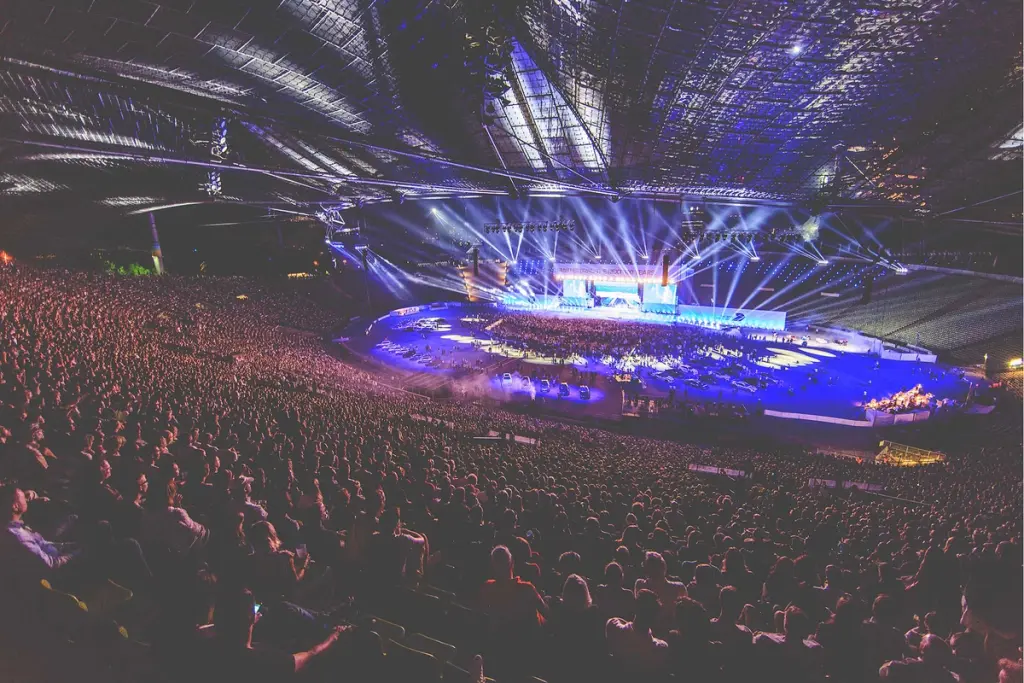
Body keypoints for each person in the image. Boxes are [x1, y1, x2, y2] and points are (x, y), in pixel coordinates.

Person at [605, 588, 668, 677]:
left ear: (635, 608)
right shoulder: (660, 649)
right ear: (655, 617)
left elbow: (614, 620)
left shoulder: (614, 629)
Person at [634, 551, 686, 636]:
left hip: (646, 633)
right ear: (664, 567)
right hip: (670, 634)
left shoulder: (640, 585)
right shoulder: (679, 588)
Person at [879, 633, 962, 682]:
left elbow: (882, 671)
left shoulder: (910, 666)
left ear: (923, 649)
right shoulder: (950, 677)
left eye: (921, 641)